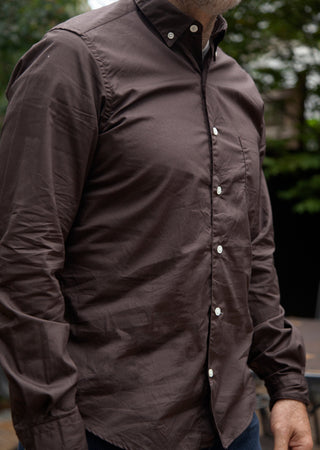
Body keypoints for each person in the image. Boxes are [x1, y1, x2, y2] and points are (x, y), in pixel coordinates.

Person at [0, 0, 314, 448]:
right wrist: (54, 433)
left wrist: (287, 387)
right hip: (113, 429)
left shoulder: (239, 86)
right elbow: (25, 259)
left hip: (234, 424)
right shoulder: (74, 58)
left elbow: (253, 252)